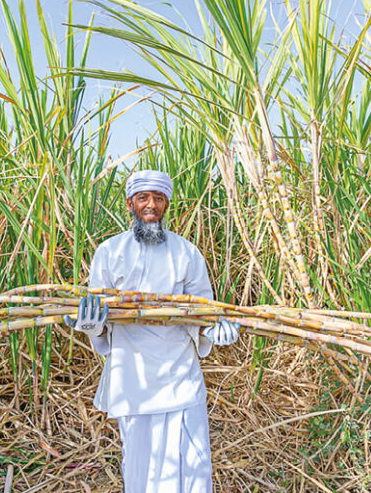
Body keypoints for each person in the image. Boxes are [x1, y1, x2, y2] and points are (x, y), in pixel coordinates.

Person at [65, 169, 240, 492]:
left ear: (166, 205)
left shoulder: (187, 252)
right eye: (143, 198)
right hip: (132, 374)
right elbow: (96, 312)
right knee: (140, 465)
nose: (151, 205)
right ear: (130, 203)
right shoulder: (109, 251)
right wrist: (91, 325)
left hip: (180, 375)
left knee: (193, 464)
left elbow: (204, 310)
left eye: (158, 198)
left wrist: (215, 330)